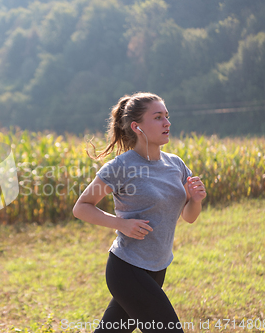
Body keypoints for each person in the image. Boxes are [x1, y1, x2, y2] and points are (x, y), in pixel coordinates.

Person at [72, 92, 206, 333]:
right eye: (157, 117)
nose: (167, 123)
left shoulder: (175, 164)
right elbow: (81, 207)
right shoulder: (121, 167)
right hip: (127, 269)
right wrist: (121, 224)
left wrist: (195, 200)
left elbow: (189, 216)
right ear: (137, 127)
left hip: (158, 267)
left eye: (166, 116)